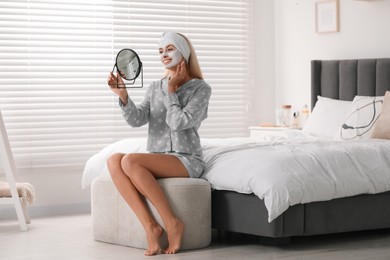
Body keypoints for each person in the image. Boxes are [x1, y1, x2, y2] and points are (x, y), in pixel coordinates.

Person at [106, 32, 212, 256]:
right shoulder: (155, 86)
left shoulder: (200, 89)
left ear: (184, 52)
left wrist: (172, 91)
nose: (164, 54)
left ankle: (172, 223)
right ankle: (151, 227)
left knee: (131, 160)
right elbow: (137, 120)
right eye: (161, 51)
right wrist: (123, 95)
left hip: (186, 159)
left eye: (170, 49)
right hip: (159, 157)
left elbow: (178, 122)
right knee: (115, 160)